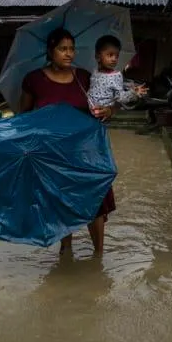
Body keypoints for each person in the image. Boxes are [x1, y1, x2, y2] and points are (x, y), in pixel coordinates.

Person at [19, 27, 116, 257]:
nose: (69, 53)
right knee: (61, 201)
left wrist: (108, 111)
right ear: (50, 51)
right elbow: (24, 118)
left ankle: (98, 256)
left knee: (96, 199)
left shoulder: (84, 77)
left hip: (87, 152)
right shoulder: (34, 79)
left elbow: (105, 103)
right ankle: (65, 249)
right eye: (63, 49)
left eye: (72, 49)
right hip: (53, 154)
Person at [87, 35, 147, 111]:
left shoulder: (116, 75)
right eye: (110, 55)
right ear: (98, 56)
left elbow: (120, 97)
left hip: (106, 112)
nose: (114, 59)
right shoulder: (95, 72)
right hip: (92, 110)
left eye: (117, 56)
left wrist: (133, 93)